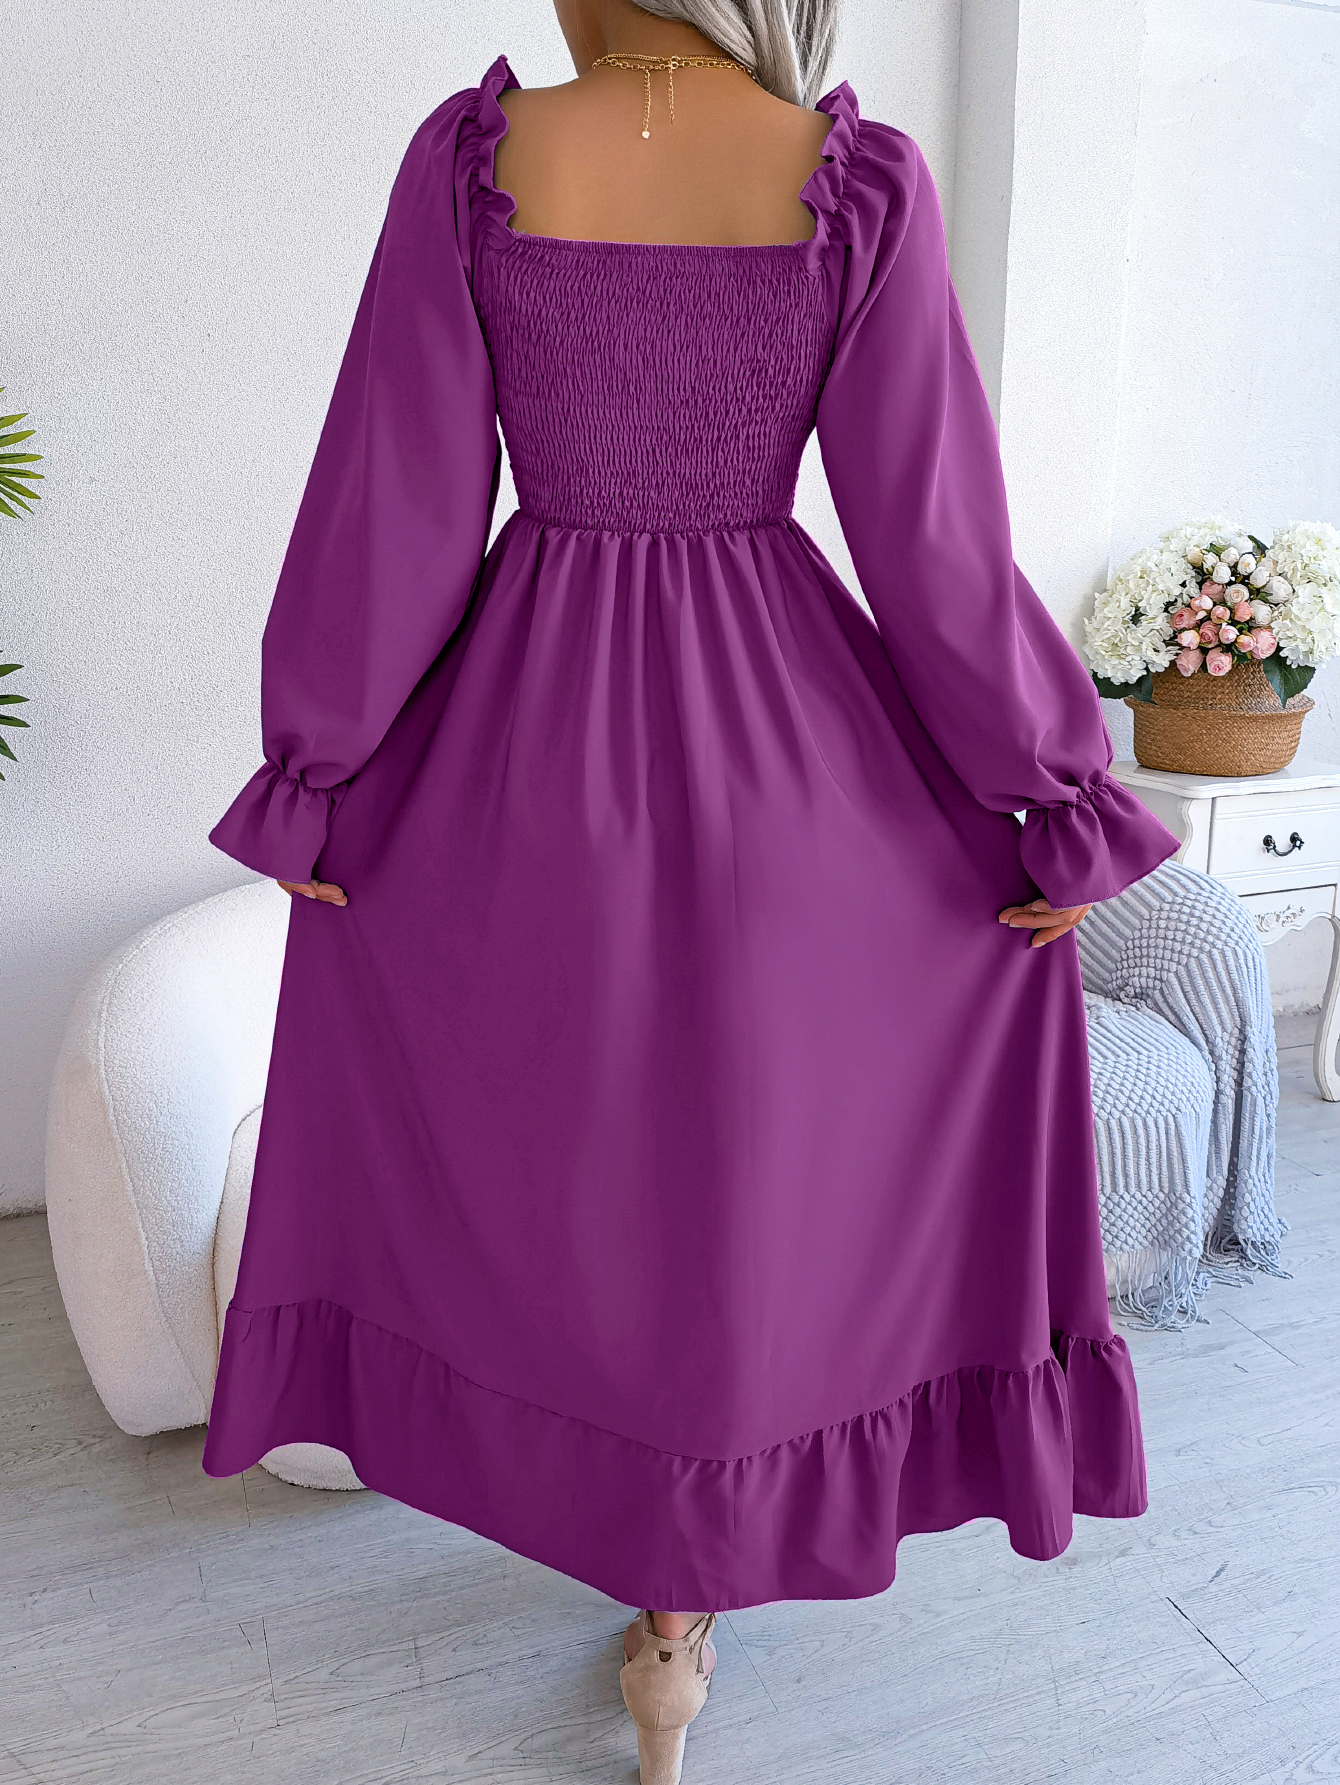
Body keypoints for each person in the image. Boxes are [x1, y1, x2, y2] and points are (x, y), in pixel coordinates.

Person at [202, 4, 1183, 1780]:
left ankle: (647, 1572)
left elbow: (395, 498)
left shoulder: (476, 165)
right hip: (789, 763)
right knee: (739, 1194)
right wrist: (1051, 795)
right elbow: (935, 549)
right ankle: (687, 1605)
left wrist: (321, 767)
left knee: (584, 1178)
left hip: (524, 761)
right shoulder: (850, 183)